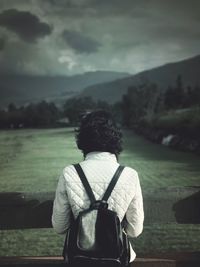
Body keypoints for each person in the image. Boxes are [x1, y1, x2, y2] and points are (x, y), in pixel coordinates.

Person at [52, 110, 144, 263]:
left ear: (82, 139)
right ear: (117, 138)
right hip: (117, 259)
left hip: (79, 259)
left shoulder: (70, 173)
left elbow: (59, 227)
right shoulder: (130, 175)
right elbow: (134, 230)